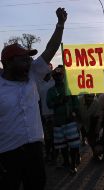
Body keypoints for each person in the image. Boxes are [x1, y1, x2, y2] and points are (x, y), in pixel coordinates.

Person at [0, 7, 67, 190]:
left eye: (29, 58)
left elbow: (50, 49)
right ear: (7, 63)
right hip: (6, 155)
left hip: (35, 151)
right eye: (23, 59)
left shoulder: (32, 75)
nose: (29, 61)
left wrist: (60, 25)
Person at [47, 66, 81, 174]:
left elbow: (76, 103)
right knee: (62, 145)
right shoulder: (51, 91)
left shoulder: (69, 88)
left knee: (74, 144)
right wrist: (60, 101)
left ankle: (73, 164)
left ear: (63, 76)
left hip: (70, 120)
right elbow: (49, 104)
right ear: (53, 77)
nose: (58, 77)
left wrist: (76, 116)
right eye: (56, 75)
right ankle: (66, 162)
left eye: (60, 75)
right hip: (58, 121)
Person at [38, 64, 55, 163]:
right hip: (44, 114)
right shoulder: (39, 83)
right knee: (47, 137)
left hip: (54, 113)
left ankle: (53, 154)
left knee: (54, 136)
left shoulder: (54, 82)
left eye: (49, 69)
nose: (47, 71)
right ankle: (48, 154)